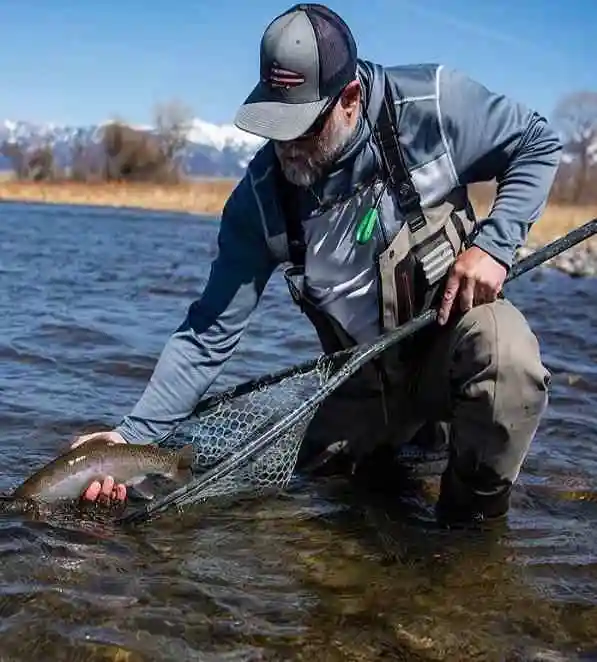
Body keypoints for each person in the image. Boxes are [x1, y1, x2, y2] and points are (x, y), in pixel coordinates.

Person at [71, 3, 561, 527]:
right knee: (299, 509)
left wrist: (493, 245)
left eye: (301, 128)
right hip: (359, 382)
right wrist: (130, 437)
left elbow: (537, 142)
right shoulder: (258, 203)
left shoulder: (432, 106)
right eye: (274, 127)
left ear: (349, 99)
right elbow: (207, 334)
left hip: (449, 347)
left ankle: (468, 539)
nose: (286, 147)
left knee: (507, 356)